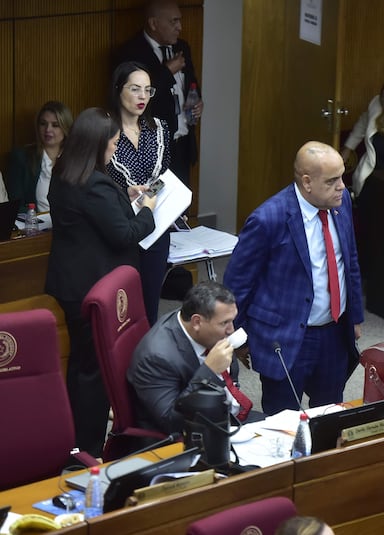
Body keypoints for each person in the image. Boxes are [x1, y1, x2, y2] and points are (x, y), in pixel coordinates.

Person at [45, 107, 157, 457]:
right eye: (112, 143)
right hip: (92, 289)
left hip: (72, 284)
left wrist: (126, 196)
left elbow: (101, 214)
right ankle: (88, 449)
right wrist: (149, 210)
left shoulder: (66, 171)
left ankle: (75, 440)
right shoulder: (93, 183)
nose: (114, 148)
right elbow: (124, 234)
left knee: (82, 365)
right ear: (96, 144)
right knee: (92, 373)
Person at [223, 141, 364, 415]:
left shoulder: (341, 202)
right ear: (307, 182)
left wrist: (355, 317)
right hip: (285, 338)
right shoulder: (268, 219)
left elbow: (350, 261)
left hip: (335, 332)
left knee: (330, 415)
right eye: (333, 180)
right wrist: (238, 338)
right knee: (282, 424)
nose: (342, 187)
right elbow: (237, 284)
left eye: (343, 177)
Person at [128, 281, 260, 435]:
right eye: (224, 323)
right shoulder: (156, 358)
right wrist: (209, 372)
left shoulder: (199, 321)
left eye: (232, 320)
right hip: (188, 437)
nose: (231, 330)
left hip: (223, 415)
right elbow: (171, 422)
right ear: (197, 322)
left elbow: (232, 377)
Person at [108, 61, 172, 325]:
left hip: (154, 226)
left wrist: (152, 196)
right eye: (135, 89)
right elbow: (95, 181)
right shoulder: (105, 129)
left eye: (148, 90)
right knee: (120, 309)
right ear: (118, 89)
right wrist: (126, 191)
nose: (143, 96)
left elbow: (164, 177)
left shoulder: (159, 128)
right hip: (118, 227)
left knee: (148, 306)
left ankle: (146, 364)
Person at [114, 0, 202, 187]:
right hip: (152, 149)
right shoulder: (129, 52)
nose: (180, 27)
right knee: (154, 200)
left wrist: (197, 100)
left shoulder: (182, 47)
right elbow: (136, 96)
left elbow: (192, 83)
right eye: (174, 22)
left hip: (182, 145)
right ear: (154, 24)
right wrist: (167, 71)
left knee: (180, 204)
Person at [6, 101, 73, 213]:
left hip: (71, 225)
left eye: (55, 125)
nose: (48, 130)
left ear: (65, 128)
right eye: (43, 123)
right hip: (36, 226)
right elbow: (15, 204)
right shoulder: (22, 158)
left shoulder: (75, 158)